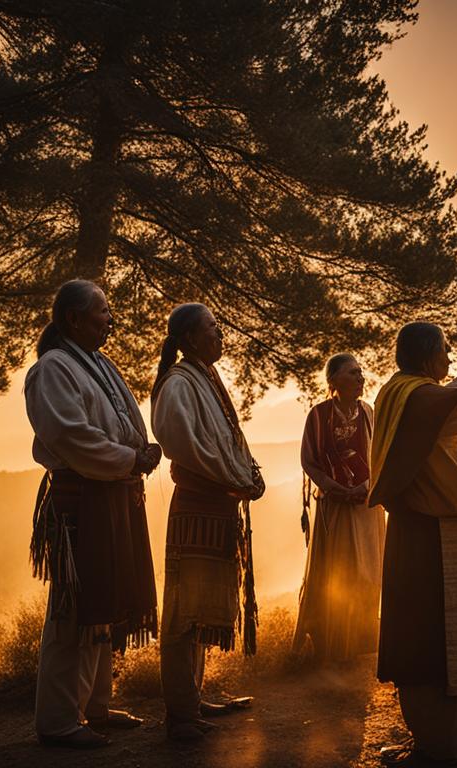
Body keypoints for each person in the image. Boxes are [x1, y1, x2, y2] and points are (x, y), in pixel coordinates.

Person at [371, 323, 457, 766]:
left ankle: (443, 743)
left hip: (443, 530)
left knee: (447, 646)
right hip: (421, 535)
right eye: (446, 352)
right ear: (429, 356)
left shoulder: (415, 397)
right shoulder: (409, 396)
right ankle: (433, 746)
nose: (450, 361)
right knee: (424, 644)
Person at [25, 279, 160, 749]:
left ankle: (96, 704)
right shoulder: (53, 369)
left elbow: (119, 423)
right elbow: (70, 436)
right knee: (74, 609)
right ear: (73, 320)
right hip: (81, 497)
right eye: (102, 312)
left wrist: (139, 451)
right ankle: (59, 720)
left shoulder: (97, 363)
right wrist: (130, 458)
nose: (110, 320)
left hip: (114, 493)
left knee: (107, 599)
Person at [150, 303, 263, 742]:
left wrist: (247, 475)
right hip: (197, 507)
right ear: (191, 339)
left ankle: (192, 699)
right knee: (183, 614)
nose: (221, 335)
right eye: (214, 328)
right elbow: (184, 442)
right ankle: (179, 714)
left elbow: (226, 440)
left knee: (198, 613)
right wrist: (236, 478)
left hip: (216, 505)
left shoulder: (206, 378)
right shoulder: (179, 382)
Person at [292, 353, 385, 662]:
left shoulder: (369, 413)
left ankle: (360, 645)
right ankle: (330, 648)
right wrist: (333, 487)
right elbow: (309, 461)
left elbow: (380, 456)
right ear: (334, 381)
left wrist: (366, 487)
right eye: (352, 373)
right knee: (333, 573)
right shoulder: (318, 416)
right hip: (333, 507)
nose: (360, 378)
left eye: (360, 372)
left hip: (366, 507)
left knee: (366, 573)